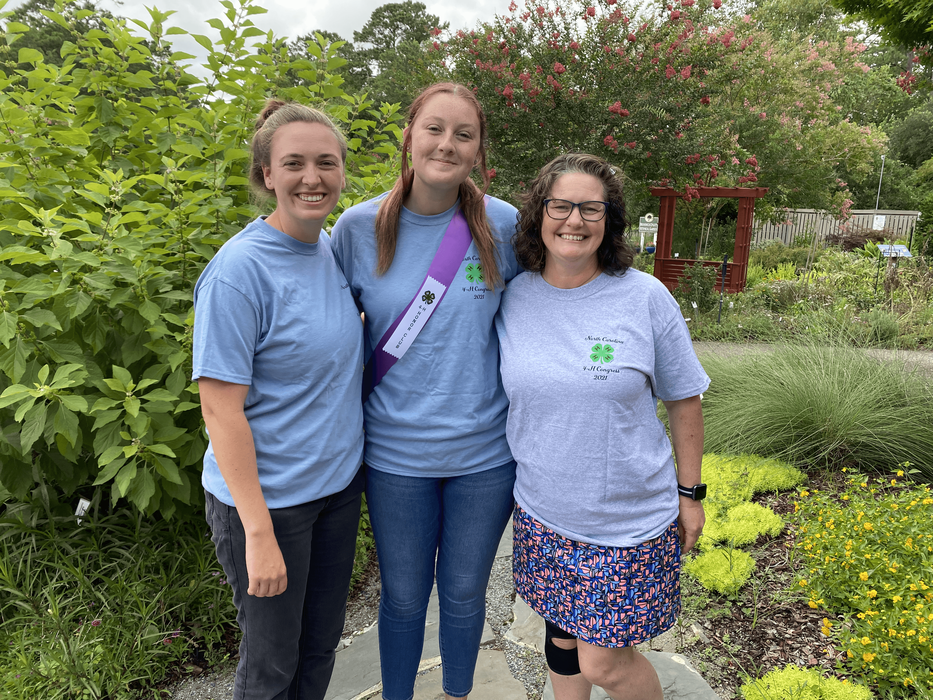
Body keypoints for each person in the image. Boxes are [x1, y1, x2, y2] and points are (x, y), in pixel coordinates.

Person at [330, 82, 521, 700]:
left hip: (485, 457)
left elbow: (538, 315)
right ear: (408, 137)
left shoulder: (503, 224)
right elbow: (327, 334)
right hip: (394, 456)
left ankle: (459, 692)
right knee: (405, 596)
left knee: (466, 594)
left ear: (479, 150)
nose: (447, 144)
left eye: (464, 134)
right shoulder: (356, 230)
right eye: (434, 129)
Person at [495, 153, 710, 700]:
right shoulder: (513, 296)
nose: (574, 220)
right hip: (544, 513)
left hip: (626, 521)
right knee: (561, 640)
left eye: (592, 208)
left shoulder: (644, 297)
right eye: (561, 205)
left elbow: (685, 401)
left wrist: (691, 494)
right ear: (538, 214)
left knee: (603, 661)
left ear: (610, 221)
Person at [192, 100, 365, 700]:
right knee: (269, 668)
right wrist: (258, 532)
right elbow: (220, 409)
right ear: (267, 174)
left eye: (326, 163)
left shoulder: (330, 251)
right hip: (269, 509)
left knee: (318, 649)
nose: (311, 178)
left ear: (343, 172)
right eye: (293, 164)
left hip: (335, 495)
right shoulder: (238, 273)